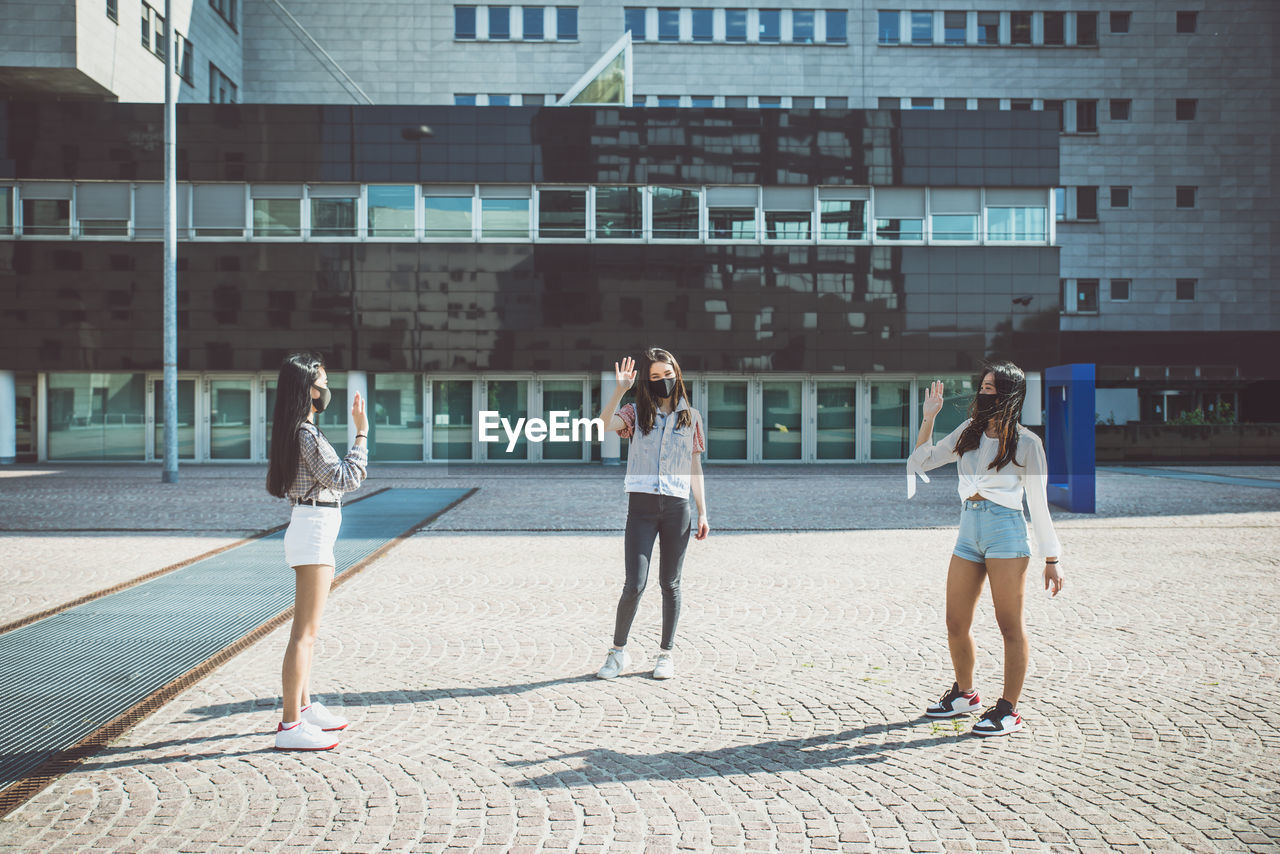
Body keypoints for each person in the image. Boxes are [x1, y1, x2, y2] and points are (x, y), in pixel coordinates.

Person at [906, 360, 1064, 736]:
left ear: (1009, 395)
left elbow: (1038, 505)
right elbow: (920, 461)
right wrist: (929, 418)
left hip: (1006, 532)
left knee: (1009, 625)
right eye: (983, 387)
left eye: (992, 389)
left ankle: (1008, 710)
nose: (983, 393)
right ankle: (965, 695)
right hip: (968, 529)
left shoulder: (1028, 444)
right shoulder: (968, 432)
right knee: (955, 622)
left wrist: (1052, 558)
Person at [265, 352, 369, 751]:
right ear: (307, 389)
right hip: (312, 530)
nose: (327, 390)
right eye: (322, 383)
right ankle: (290, 727)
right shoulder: (305, 434)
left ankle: (305, 709)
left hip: (312, 527)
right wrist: (361, 434)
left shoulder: (301, 430)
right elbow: (345, 477)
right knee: (304, 634)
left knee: (308, 632)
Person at [595, 348, 710, 681]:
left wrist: (703, 512)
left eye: (667, 374)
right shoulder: (635, 413)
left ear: (677, 373)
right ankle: (617, 654)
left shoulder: (692, 417)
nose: (663, 381)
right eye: (655, 377)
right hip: (641, 509)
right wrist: (620, 389)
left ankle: (665, 654)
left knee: (670, 584)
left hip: (677, 508)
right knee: (634, 583)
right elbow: (603, 425)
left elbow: (695, 466)